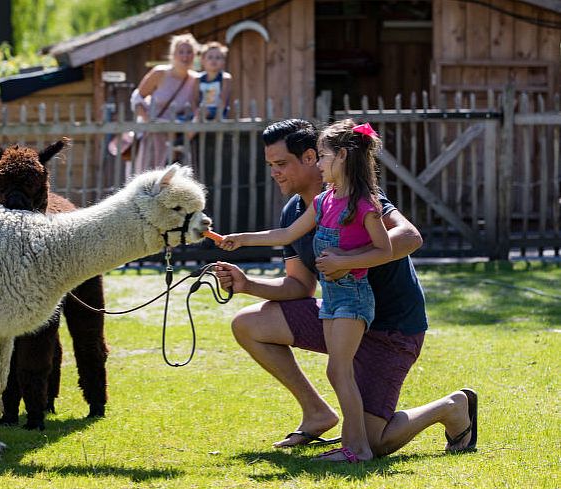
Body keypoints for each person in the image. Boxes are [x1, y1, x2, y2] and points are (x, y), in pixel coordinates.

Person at [214, 118, 478, 462]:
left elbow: (410, 237)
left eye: (281, 164)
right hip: (341, 313)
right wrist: (248, 284)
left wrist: (346, 258)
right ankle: (317, 414)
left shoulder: (359, 199)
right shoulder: (296, 211)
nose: (274, 173)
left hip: (390, 327)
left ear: (313, 157)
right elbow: (299, 286)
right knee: (249, 322)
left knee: (377, 442)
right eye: (270, 166)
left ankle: (452, 407)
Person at [218, 119, 392, 463]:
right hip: (332, 301)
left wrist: (344, 259)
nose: (322, 164)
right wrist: (241, 240)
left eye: (325, 156)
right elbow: (283, 237)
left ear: (338, 158)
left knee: (339, 370)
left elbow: (387, 249)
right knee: (338, 370)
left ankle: (356, 447)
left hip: (355, 299)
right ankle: (343, 435)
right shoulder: (323, 202)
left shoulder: (365, 203)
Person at [130, 33, 199, 173]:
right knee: (148, 176)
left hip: (177, 138)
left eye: (189, 52)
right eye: (181, 52)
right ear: (173, 54)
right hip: (153, 134)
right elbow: (137, 98)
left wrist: (186, 134)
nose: (185, 56)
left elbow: (196, 109)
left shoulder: (195, 80)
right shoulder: (159, 73)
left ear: (194, 55)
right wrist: (148, 120)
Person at [194, 41, 233, 120]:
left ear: (223, 62)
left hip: (217, 111)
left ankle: (191, 131)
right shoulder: (198, 79)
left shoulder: (225, 78)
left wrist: (217, 117)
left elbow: (223, 101)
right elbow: (195, 99)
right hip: (202, 111)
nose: (214, 60)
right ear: (203, 61)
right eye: (210, 57)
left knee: (203, 113)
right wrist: (195, 111)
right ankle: (191, 130)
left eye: (218, 58)